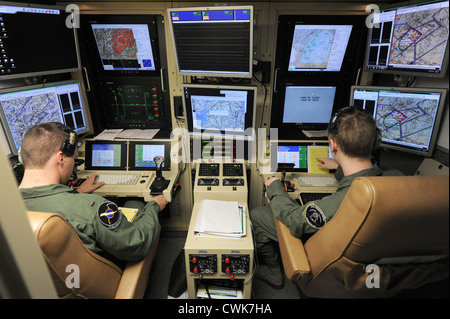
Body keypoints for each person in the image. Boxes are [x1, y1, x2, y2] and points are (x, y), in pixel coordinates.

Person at [250, 106, 402, 289]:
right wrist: (338, 166)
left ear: (333, 145)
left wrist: (275, 187)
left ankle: (273, 271)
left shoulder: (347, 199)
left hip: (328, 257)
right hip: (380, 261)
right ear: (375, 142)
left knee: (258, 215)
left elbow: (295, 220)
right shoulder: (398, 177)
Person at [18, 122, 167, 266]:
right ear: (61, 158)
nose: (73, 165)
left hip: (51, 283)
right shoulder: (92, 207)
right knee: (136, 204)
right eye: (74, 159)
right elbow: (137, 244)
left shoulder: (7, 209)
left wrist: (76, 193)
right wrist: (153, 206)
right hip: (100, 278)